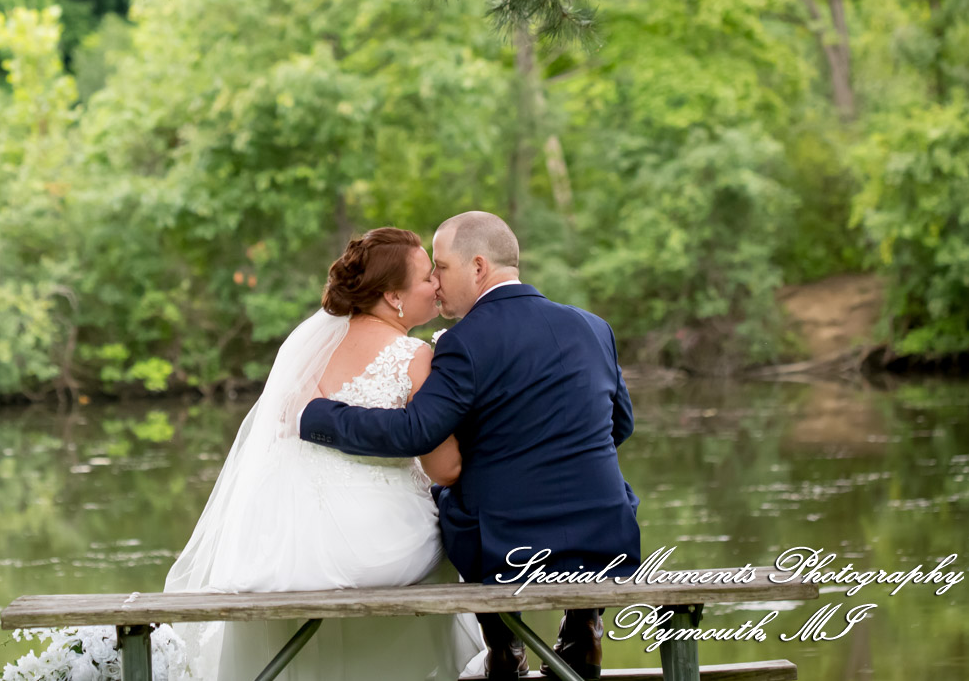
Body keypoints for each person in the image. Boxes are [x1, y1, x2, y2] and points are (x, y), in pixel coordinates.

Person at [300, 211, 641, 680]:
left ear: (478, 267)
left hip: (508, 548)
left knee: (448, 495)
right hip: (607, 536)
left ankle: (504, 642)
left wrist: (316, 414)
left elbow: (415, 432)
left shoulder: (465, 341)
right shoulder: (593, 327)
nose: (435, 281)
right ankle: (584, 624)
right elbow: (619, 425)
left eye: (440, 267)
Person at [164, 227, 482, 681]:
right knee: (447, 539)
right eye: (427, 276)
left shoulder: (310, 352)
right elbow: (445, 468)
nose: (436, 284)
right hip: (383, 545)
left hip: (286, 547)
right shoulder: (415, 357)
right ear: (394, 296)